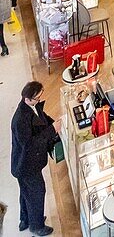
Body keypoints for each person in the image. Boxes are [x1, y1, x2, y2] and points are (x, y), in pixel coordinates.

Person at [11, 81, 61, 236]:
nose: (40, 99)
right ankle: (37, 225)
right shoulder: (20, 119)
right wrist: (52, 130)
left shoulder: (31, 107)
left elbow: (42, 119)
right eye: (37, 98)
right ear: (28, 99)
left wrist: (54, 124)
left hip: (24, 164)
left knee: (26, 191)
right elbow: (29, 144)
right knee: (37, 192)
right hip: (26, 164)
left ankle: (26, 219)